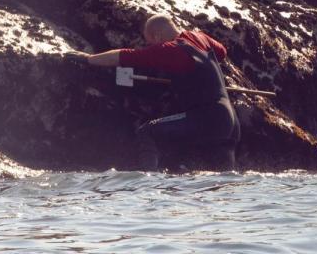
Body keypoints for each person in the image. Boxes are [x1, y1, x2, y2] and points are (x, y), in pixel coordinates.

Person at [67, 14, 240, 171]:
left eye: (150, 42)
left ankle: (147, 184)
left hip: (208, 118)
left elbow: (124, 56)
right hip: (230, 122)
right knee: (220, 179)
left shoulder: (169, 50)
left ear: (157, 36)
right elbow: (221, 52)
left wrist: (87, 59)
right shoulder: (198, 36)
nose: (150, 47)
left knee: (148, 132)